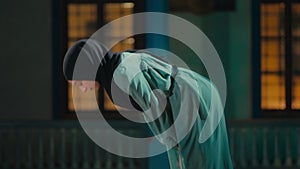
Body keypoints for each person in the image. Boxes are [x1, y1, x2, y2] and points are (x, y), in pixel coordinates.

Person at [63, 39, 233, 169]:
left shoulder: (121, 74)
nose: (83, 89)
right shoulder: (119, 64)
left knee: (198, 162)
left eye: (79, 83)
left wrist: (169, 139)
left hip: (192, 98)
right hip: (200, 91)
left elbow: (155, 106)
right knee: (212, 161)